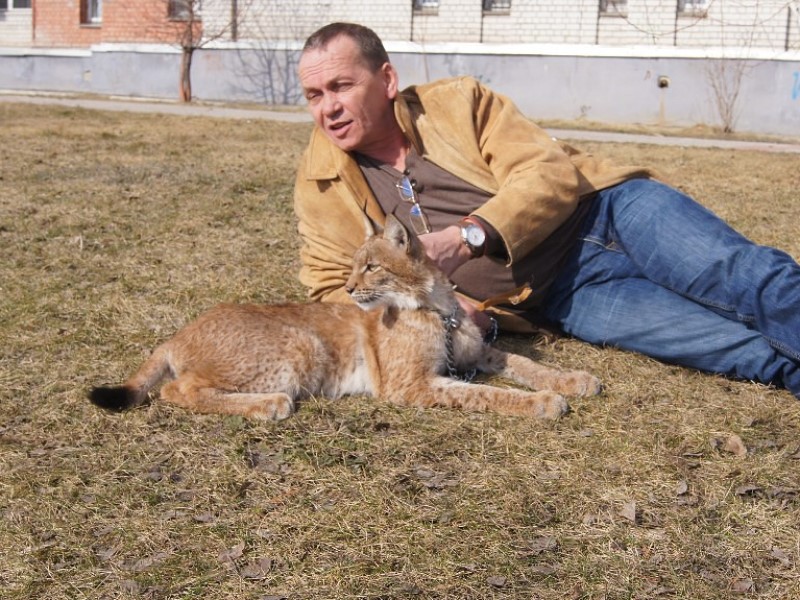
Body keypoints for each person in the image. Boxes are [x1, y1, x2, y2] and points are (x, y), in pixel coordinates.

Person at [293, 21, 800, 398]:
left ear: (385, 80)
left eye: (341, 86)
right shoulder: (321, 181)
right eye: (314, 95)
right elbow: (328, 283)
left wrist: (468, 236)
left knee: (752, 280)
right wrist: (464, 314)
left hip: (608, 213)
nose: (328, 108)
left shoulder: (457, 102)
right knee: (729, 347)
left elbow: (547, 171)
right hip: (561, 297)